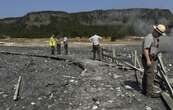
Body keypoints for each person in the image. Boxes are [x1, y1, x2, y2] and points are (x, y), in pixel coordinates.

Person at [142, 24, 166, 97]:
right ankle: (150, 93)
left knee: (147, 74)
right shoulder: (149, 37)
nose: (160, 35)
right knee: (150, 76)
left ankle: (145, 90)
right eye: (159, 33)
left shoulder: (155, 38)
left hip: (151, 58)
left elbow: (153, 48)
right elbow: (145, 50)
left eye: (160, 34)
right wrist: (148, 60)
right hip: (148, 59)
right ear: (155, 31)